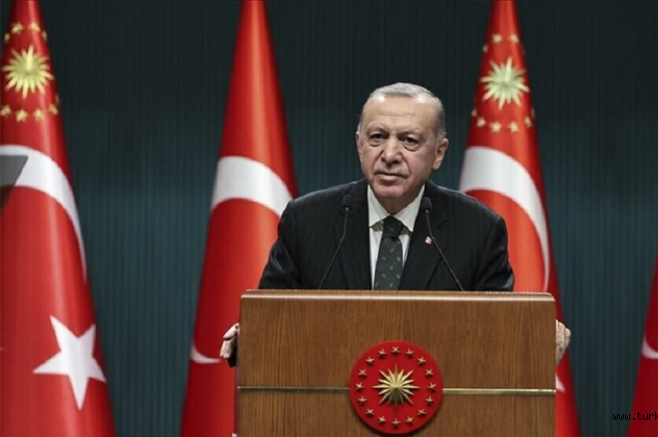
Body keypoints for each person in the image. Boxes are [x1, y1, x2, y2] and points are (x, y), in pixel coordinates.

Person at [219, 83, 570, 364]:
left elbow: (497, 337)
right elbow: (271, 318)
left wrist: (530, 339)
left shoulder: (477, 229)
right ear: (359, 145)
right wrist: (253, 335)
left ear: (439, 153)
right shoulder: (308, 220)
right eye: (377, 137)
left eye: (409, 141)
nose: (389, 155)